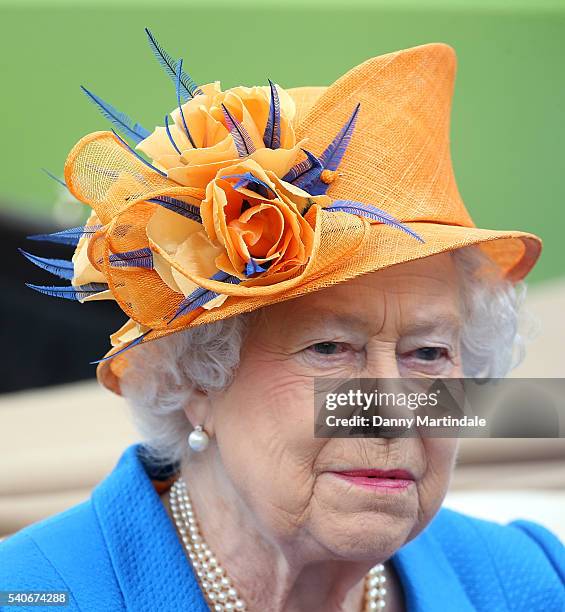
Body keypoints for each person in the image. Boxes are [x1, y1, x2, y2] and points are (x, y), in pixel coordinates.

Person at [2, 31, 563, 611]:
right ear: (196, 381)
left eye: (428, 354)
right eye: (329, 348)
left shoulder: (528, 583)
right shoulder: (35, 592)